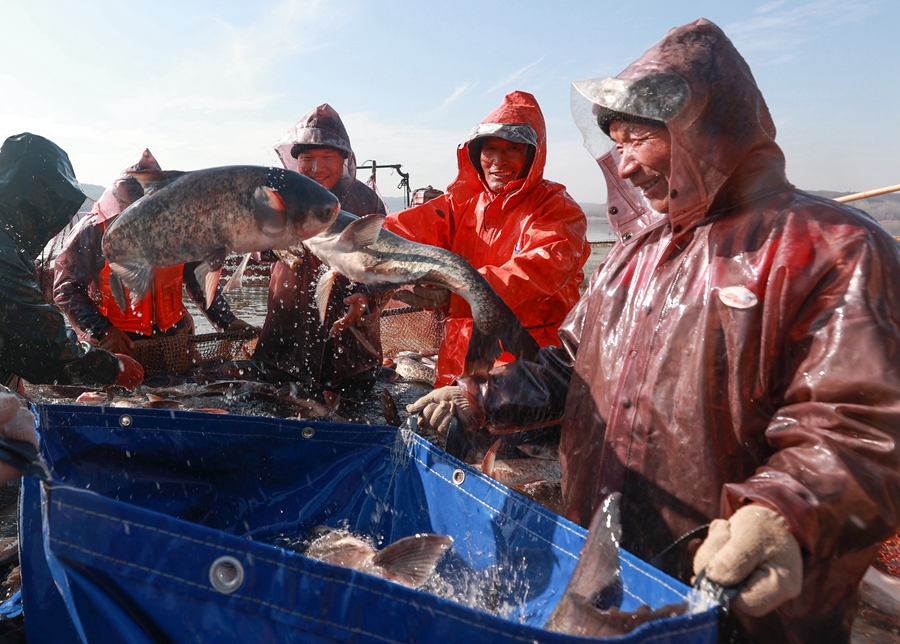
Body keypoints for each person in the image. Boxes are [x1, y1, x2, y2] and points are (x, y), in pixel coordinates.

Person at [408, 19, 900, 643]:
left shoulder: (832, 249)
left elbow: (859, 425)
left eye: (639, 137)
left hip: (741, 603)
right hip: (608, 577)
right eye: (615, 140)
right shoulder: (632, 257)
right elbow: (569, 367)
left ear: (709, 128)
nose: (626, 163)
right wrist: (478, 399)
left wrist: (787, 513)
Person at [384, 90, 589, 387]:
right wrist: (348, 241)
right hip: (459, 358)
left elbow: (539, 269)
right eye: (489, 149)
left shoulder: (557, 208)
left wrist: (458, 292)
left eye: (512, 149)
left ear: (533, 154)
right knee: (451, 430)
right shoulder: (463, 204)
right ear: (475, 153)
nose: (497, 161)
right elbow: (402, 229)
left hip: (528, 365)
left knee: (519, 432)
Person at [53, 149, 252, 361]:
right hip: (117, 345)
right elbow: (67, 289)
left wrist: (226, 320)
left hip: (175, 340)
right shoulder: (92, 231)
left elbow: (198, 279)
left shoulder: (180, 229)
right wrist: (102, 330)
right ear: (120, 202)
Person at [253, 104, 387, 394]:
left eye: (327, 157)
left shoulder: (368, 204)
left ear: (345, 159)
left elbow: (388, 267)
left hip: (353, 353)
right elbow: (253, 248)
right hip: (284, 344)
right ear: (296, 161)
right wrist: (272, 245)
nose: (316, 167)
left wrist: (367, 298)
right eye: (307, 158)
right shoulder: (280, 194)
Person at [0, 132, 142, 391]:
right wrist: (110, 368)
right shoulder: (4, 253)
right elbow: (40, 348)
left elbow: (12, 336)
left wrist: (11, 374)